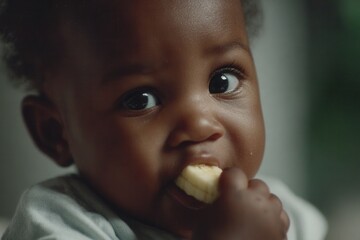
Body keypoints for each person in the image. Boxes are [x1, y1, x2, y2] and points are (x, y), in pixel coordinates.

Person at [0, 0, 327, 239]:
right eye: (141, 100)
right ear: (56, 133)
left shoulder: (282, 216)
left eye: (221, 82)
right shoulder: (59, 223)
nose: (199, 125)